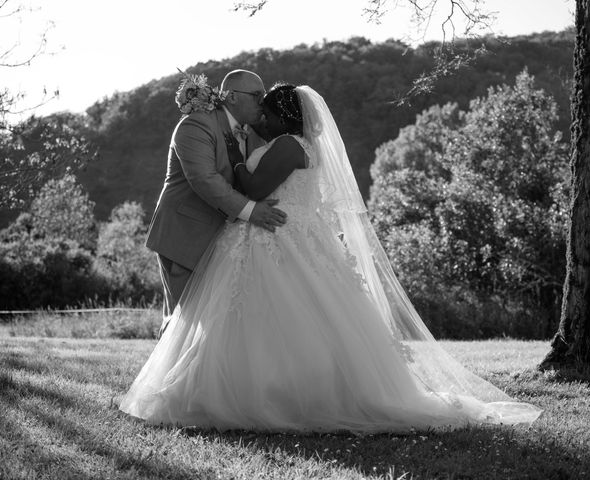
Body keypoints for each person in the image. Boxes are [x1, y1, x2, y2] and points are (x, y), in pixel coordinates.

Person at [119, 83, 542, 432]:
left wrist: (237, 162)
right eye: (257, 104)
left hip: (279, 235)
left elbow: (253, 188)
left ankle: (273, 394)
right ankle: (208, 387)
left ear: (286, 117)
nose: (261, 117)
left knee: (281, 317)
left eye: (268, 110)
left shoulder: (287, 145)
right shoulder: (273, 140)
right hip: (267, 234)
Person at [145, 69, 287, 336]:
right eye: (257, 95)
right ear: (232, 96)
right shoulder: (196, 125)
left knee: (217, 328)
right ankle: (167, 379)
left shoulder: (255, 132)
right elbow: (204, 179)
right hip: (186, 234)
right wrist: (252, 211)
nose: (263, 101)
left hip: (227, 242)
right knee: (182, 319)